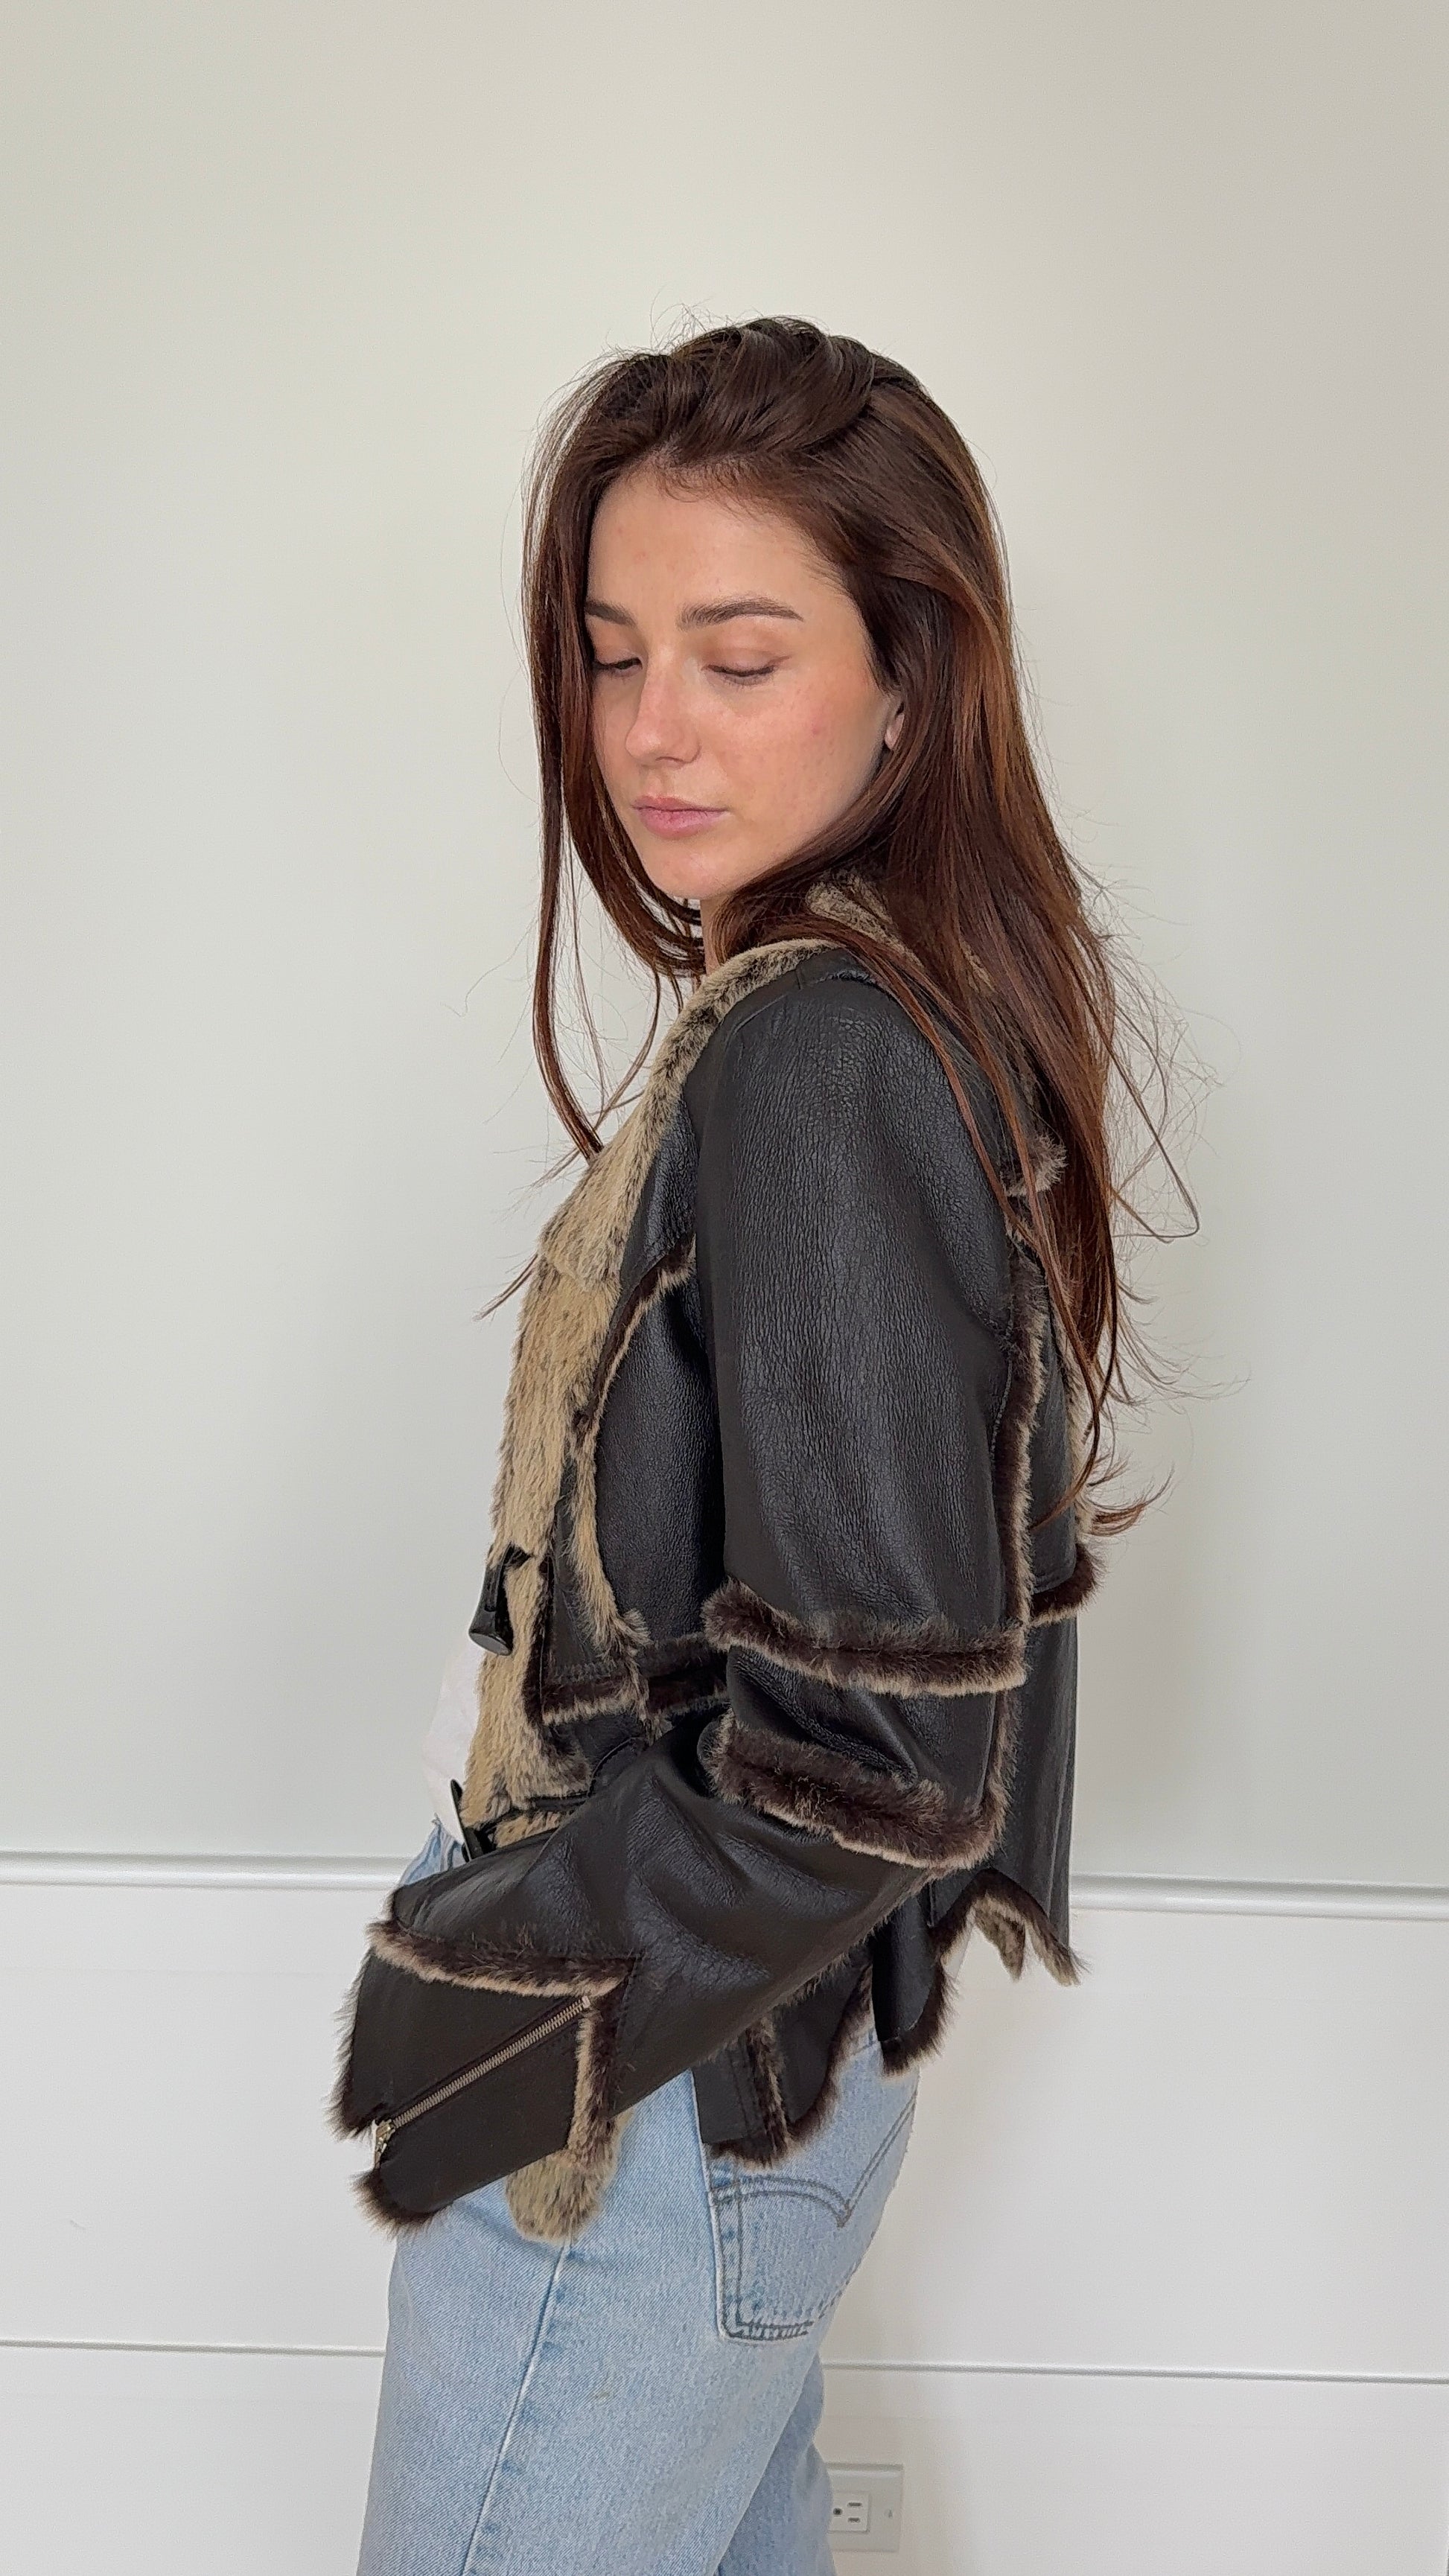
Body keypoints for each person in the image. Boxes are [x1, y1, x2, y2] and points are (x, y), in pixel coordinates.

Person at [334, 316, 1155, 2575]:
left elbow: (877, 1750)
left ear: (909, 679)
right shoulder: (877, 1012)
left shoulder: (821, 1057)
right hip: (745, 2093)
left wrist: (489, 1986)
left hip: (652, 2111)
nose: (651, 730)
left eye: (739, 653)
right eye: (613, 655)